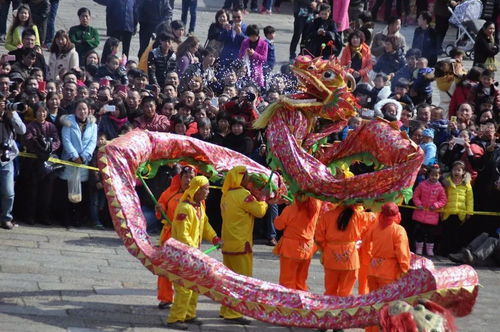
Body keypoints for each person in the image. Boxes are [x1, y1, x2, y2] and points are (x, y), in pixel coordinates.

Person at [166, 176, 221, 330]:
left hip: (192, 255)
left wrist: (214, 238)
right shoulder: (185, 208)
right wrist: (193, 249)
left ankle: (189, 314)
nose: (208, 192)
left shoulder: (199, 207)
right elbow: (183, 234)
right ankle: (175, 318)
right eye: (206, 189)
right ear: (197, 190)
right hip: (182, 256)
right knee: (183, 288)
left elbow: (205, 224)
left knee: (195, 286)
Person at [219, 166, 268, 324]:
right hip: (241, 244)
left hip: (227, 243)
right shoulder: (244, 195)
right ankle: (234, 313)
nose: (248, 179)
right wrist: (263, 199)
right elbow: (259, 212)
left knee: (228, 279)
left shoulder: (225, 195)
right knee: (241, 281)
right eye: (245, 176)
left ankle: (226, 309)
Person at [362, 203, 410, 332]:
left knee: (374, 303)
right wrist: (405, 270)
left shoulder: (375, 227)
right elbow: (402, 253)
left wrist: (368, 261)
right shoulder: (398, 230)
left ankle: (371, 329)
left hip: (373, 269)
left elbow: (365, 245)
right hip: (389, 272)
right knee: (388, 306)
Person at [155, 165, 196, 310]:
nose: (188, 181)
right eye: (186, 177)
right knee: (166, 268)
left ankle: (185, 304)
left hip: (187, 238)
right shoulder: (171, 192)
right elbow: (161, 204)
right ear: (180, 178)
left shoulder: (197, 196)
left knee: (186, 271)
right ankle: (166, 298)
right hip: (169, 236)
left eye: (192, 178)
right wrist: (160, 208)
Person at [315, 204, 376, 297]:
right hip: (350, 256)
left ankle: (329, 309)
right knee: (346, 292)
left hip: (331, 255)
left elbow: (319, 238)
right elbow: (373, 218)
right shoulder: (357, 215)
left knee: (330, 291)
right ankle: (342, 309)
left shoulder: (327, 215)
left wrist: (326, 249)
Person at [59, 99, 97, 227]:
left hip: (84, 162)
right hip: (70, 161)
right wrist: (74, 156)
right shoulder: (68, 123)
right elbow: (66, 140)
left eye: (85, 109)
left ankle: (78, 219)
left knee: (82, 192)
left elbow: (92, 142)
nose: (82, 111)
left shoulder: (93, 125)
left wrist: (84, 156)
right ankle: (66, 219)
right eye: (80, 109)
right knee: (67, 191)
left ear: (89, 110)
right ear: (75, 111)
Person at [21, 102, 60, 225]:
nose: (41, 114)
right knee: (32, 192)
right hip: (33, 163)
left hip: (48, 164)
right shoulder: (30, 126)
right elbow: (28, 140)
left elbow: (57, 141)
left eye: (44, 111)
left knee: (46, 193)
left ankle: (44, 216)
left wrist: (50, 148)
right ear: (35, 112)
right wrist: (39, 150)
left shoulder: (51, 126)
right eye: (39, 111)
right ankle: (30, 216)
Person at [273, 195, 321, 290]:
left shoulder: (290, 210)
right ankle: (300, 301)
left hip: (290, 249)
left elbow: (279, 225)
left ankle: (288, 302)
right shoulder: (316, 207)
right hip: (307, 248)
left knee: (287, 281)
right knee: (301, 281)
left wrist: (276, 218)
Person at [0, 91, 26, 230]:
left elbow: (22, 130)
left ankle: (6, 218)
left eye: (3, 101)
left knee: (9, 192)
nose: (2, 104)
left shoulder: (10, 113)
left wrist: (12, 117)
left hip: (6, 158)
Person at [412, 165, 448, 256]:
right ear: (428, 175)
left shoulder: (440, 188)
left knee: (431, 234)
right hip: (420, 214)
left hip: (432, 216)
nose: (434, 177)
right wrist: (418, 204)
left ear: (439, 176)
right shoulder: (422, 185)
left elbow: (443, 200)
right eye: (432, 175)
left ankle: (429, 250)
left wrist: (436, 205)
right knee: (419, 232)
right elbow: (415, 195)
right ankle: (419, 249)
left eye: (436, 175)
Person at [440, 161, 474, 255]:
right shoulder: (447, 183)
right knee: (446, 233)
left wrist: (469, 212)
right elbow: (442, 197)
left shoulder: (466, 184)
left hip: (460, 213)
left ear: (463, 172)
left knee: (457, 234)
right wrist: (441, 210)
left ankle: (454, 253)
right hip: (448, 212)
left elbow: (470, 199)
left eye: (459, 170)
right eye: (455, 169)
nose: (457, 172)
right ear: (451, 171)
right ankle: (444, 252)